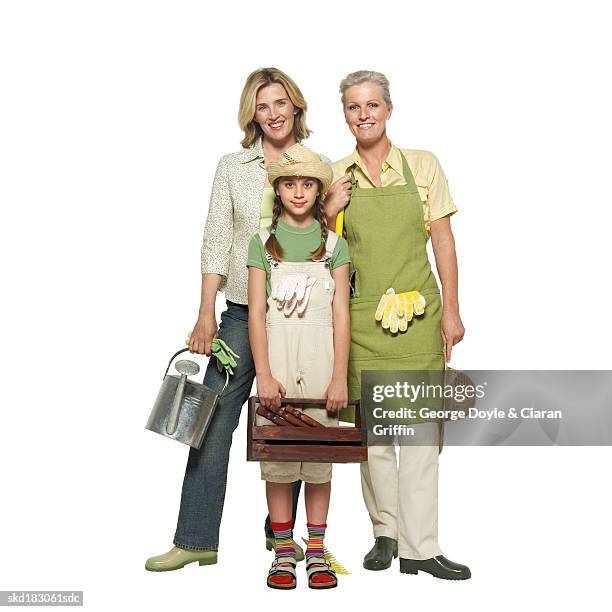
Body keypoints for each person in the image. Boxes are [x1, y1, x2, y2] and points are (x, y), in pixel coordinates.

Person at [146, 68, 318, 571]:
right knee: (212, 422)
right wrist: (204, 314)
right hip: (242, 314)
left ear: (296, 106)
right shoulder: (232, 167)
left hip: (300, 316)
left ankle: (280, 532)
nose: (274, 113)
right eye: (263, 105)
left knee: (294, 423)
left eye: (281, 102)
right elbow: (216, 239)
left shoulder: (316, 164)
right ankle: (197, 538)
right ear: (252, 114)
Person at [324, 70, 471, 580]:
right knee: (375, 436)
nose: (363, 115)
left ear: (389, 109)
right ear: (344, 114)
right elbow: (321, 253)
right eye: (352, 107)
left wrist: (451, 310)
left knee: (421, 436)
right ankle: (385, 533)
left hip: (419, 315)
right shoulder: (335, 174)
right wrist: (329, 210)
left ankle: (421, 546)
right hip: (363, 319)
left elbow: (443, 243)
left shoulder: (424, 166)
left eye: (372, 105)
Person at [247, 143, 350, 589]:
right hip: (279, 358)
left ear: (318, 189)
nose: (299, 192)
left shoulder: (334, 246)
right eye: (290, 184)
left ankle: (318, 549)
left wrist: (339, 375)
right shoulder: (261, 245)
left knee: (319, 458)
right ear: (278, 190)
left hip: (321, 359)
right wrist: (265, 374)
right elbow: (254, 314)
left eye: (308, 184)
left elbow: (341, 314)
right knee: (280, 459)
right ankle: (284, 552)